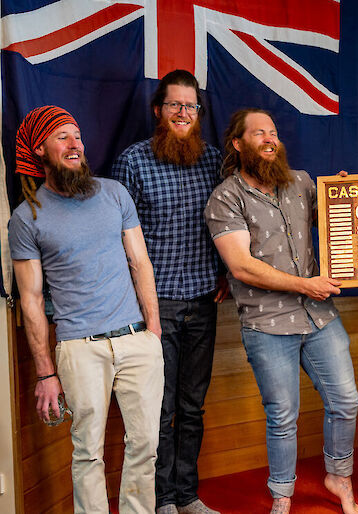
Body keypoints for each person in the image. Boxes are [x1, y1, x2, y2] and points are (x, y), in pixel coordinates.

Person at [204, 108, 358, 514]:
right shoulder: (226, 196)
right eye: (258, 133)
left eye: (273, 132)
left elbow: (337, 219)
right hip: (267, 323)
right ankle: (282, 497)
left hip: (319, 317)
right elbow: (241, 266)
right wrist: (304, 285)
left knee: (345, 400)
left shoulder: (301, 183)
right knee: (282, 416)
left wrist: (348, 195)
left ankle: (338, 477)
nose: (269, 138)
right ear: (238, 144)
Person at [8, 105, 164, 513]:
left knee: (146, 446)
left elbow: (140, 262)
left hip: (137, 340)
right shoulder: (27, 217)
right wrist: (46, 372)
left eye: (77, 136)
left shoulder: (114, 193)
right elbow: (31, 301)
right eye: (63, 137)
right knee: (88, 453)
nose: (75, 144)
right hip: (78, 347)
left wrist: (153, 330)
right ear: (40, 150)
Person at [112, 69, 226, 514]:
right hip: (152, 311)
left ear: (199, 113)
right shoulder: (133, 161)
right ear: (158, 110)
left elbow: (233, 224)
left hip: (203, 303)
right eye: (174, 104)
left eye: (191, 106)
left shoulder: (215, 160)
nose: (183, 112)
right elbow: (119, 241)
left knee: (192, 408)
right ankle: (160, 501)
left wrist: (223, 274)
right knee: (157, 412)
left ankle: (188, 496)